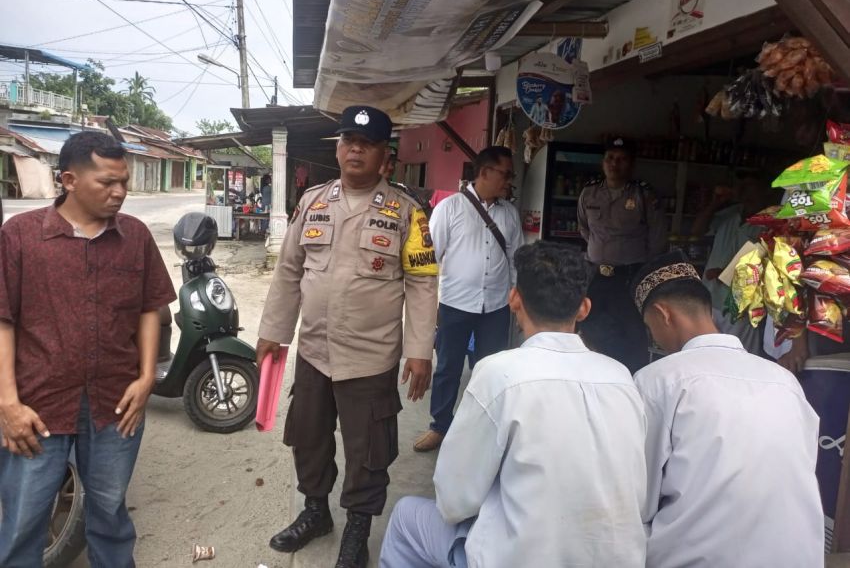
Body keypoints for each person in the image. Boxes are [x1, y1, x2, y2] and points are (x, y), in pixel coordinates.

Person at [380, 242, 647, 568]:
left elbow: (453, 501)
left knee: (406, 515)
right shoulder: (621, 378)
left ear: (514, 299)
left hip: (519, 558)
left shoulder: (499, 374)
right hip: (617, 559)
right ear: (584, 308)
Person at [256, 105, 439, 568]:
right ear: (338, 149)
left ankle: (357, 531)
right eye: (347, 141)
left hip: (371, 358)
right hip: (315, 351)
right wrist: (274, 332)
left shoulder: (408, 214)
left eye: (367, 144)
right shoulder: (313, 201)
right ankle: (316, 512)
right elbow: (289, 271)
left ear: (385, 158)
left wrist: (419, 350)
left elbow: (422, 284)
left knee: (368, 451)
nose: (355, 149)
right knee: (308, 437)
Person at [0, 131, 176, 567]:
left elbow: (150, 308)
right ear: (69, 180)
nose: (119, 193)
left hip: (116, 403)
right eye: (107, 183)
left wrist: (146, 377)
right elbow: (3, 318)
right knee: (24, 520)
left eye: (124, 182)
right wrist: (7, 403)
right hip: (38, 404)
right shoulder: (20, 235)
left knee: (110, 512)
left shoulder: (134, 236)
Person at [630, 251, 824, 568]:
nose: (654, 337)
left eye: (650, 326)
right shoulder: (784, 381)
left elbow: (637, 496)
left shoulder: (659, 381)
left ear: (663, 314)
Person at [413, 146, 523, 453]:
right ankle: (440, 426)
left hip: (497, 306)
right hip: (455, 304)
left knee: (490, 369)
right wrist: (428, 305)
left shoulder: (510, 214)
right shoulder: (449, 208)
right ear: (485, 172)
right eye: (506, 174)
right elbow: (430, 260)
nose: (509, 181)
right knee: (448, 366)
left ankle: (485, 430)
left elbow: (515, 259)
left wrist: (515, 295)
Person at [577, 137, 667, 372]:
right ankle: (592, 376)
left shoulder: (643, 195)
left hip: (630, 276)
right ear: (603, 162)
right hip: (596, 275)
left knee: (631, 333)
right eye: (610, 158)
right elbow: (585, 229)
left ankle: (630, 380)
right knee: (590, 328)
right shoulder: (589, 193)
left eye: (621, 159)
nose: (614, 164)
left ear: (631, 164)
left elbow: (657, 238)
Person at [691, 173, 769, 355]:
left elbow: (769, 264)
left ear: (764, 191)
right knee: (705, 354)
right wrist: (715, 203)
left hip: (742, 305)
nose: (744, 192)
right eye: (741, 187)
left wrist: (727, 273)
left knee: (739, 357)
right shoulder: (730, 214)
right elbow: (696, 231)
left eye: (750, 188)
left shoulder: (770, 223)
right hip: (710, 298)